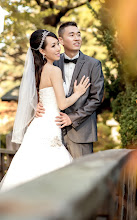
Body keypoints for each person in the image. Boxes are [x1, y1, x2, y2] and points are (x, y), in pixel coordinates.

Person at [0, 29, 90, 192]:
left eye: (58, 44)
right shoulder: (54, 70)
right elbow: (62, 104)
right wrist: (78, 93)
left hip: (38, 126)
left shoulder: (37, 70)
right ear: (42, 51)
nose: (58, 49)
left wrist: (36, 107)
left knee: (31, 169)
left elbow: (35, 97)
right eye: (53, 46)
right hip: (49, 127)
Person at [36, 22, 105, 159]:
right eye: (72, 35)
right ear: (60, 40)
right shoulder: (52, 61)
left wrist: (72, 118)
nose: (77, 38)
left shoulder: (93, 64)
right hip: (53, 131)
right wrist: (37, 105)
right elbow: (40, 88)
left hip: (81, 132)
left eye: (78, 34)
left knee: (81, 176)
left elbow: (96, 99)